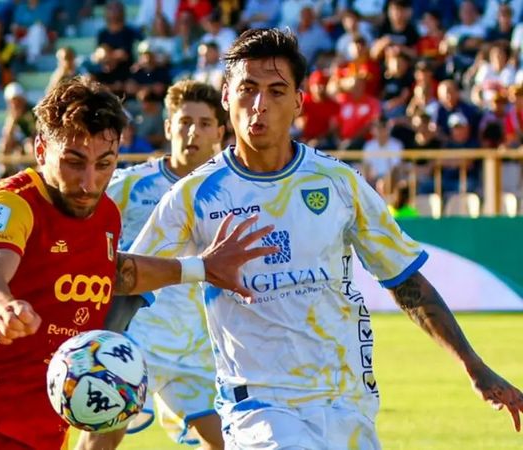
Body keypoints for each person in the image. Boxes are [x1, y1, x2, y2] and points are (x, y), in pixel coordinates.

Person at [125, 28, 523, 449]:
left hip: (346, 403)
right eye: (248, 89)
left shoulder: (337, 182)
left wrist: (474, 365)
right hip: (258, 407)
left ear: (299, 101)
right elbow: (128, 275)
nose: (259, 105)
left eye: (276, 91)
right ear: (226, 97)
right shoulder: (194, 194)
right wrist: (200, 269)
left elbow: (405, 279)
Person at [0, 76, 278, 450]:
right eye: (74, 161)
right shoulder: (13, 203)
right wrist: (2, 307)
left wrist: (201, 268)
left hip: (40, 433)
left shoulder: (105, 215)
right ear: (41, 150)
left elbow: (115, 273)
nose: (89, 182)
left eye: (104, 164)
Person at [77, 80, 227, 450]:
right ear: (168, 127)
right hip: (135, 339)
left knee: (229, 442)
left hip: (198, 348)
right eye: (184, 122)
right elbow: (81, 228)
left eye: (205, 123)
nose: (193, 132)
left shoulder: (232, 192)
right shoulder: (130, 185)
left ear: (220, 133)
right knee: (101, 438)